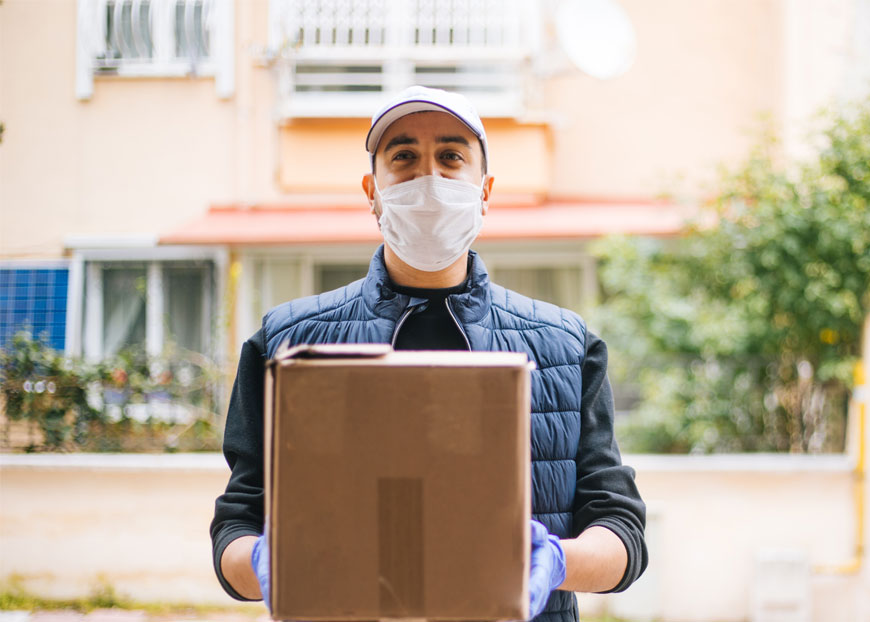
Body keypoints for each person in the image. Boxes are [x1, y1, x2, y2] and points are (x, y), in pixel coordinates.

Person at [209, 86, 647, 622]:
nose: (429, 180)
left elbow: (622, 535)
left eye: (450, 157)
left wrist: (555, 561)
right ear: (373, 190)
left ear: (484, 190)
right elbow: (236, 526)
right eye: (404, 158)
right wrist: (264, 560)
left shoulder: (565, 345)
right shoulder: (288, 342)